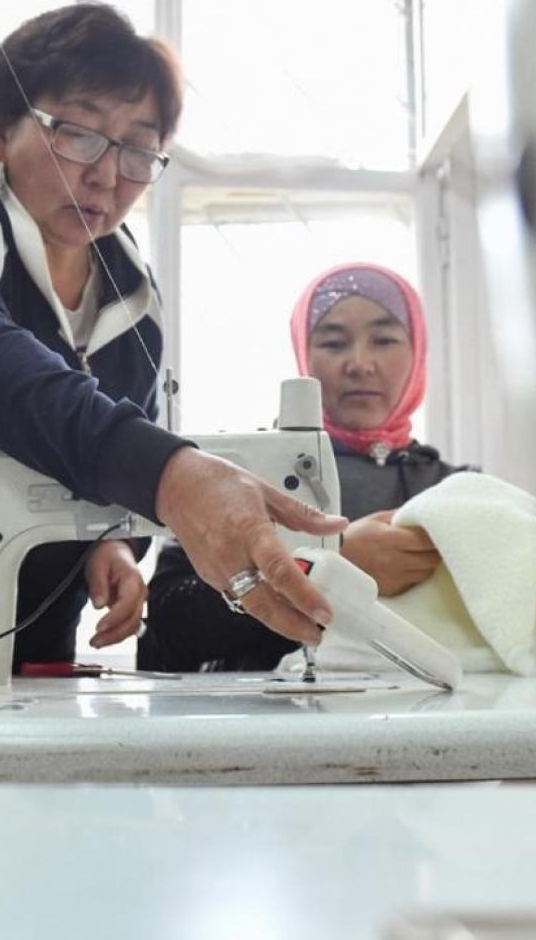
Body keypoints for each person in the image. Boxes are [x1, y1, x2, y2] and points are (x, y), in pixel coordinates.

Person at [0, 2, 343, 675]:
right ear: (0, 131)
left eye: (138, 150)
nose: (107, 176)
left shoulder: (132, 295)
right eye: (80, 134)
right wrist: (170, 476)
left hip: (32, 659)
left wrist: (106, 544)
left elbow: (99, 462)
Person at [138, 263, 470, 672]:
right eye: (334, 343)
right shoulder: (246, 476)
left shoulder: (459, 492)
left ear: (418, 351)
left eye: (385, 340)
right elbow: (166, 631)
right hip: (264, 711)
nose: (360, 364)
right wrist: (338, 564)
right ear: (303, 352)